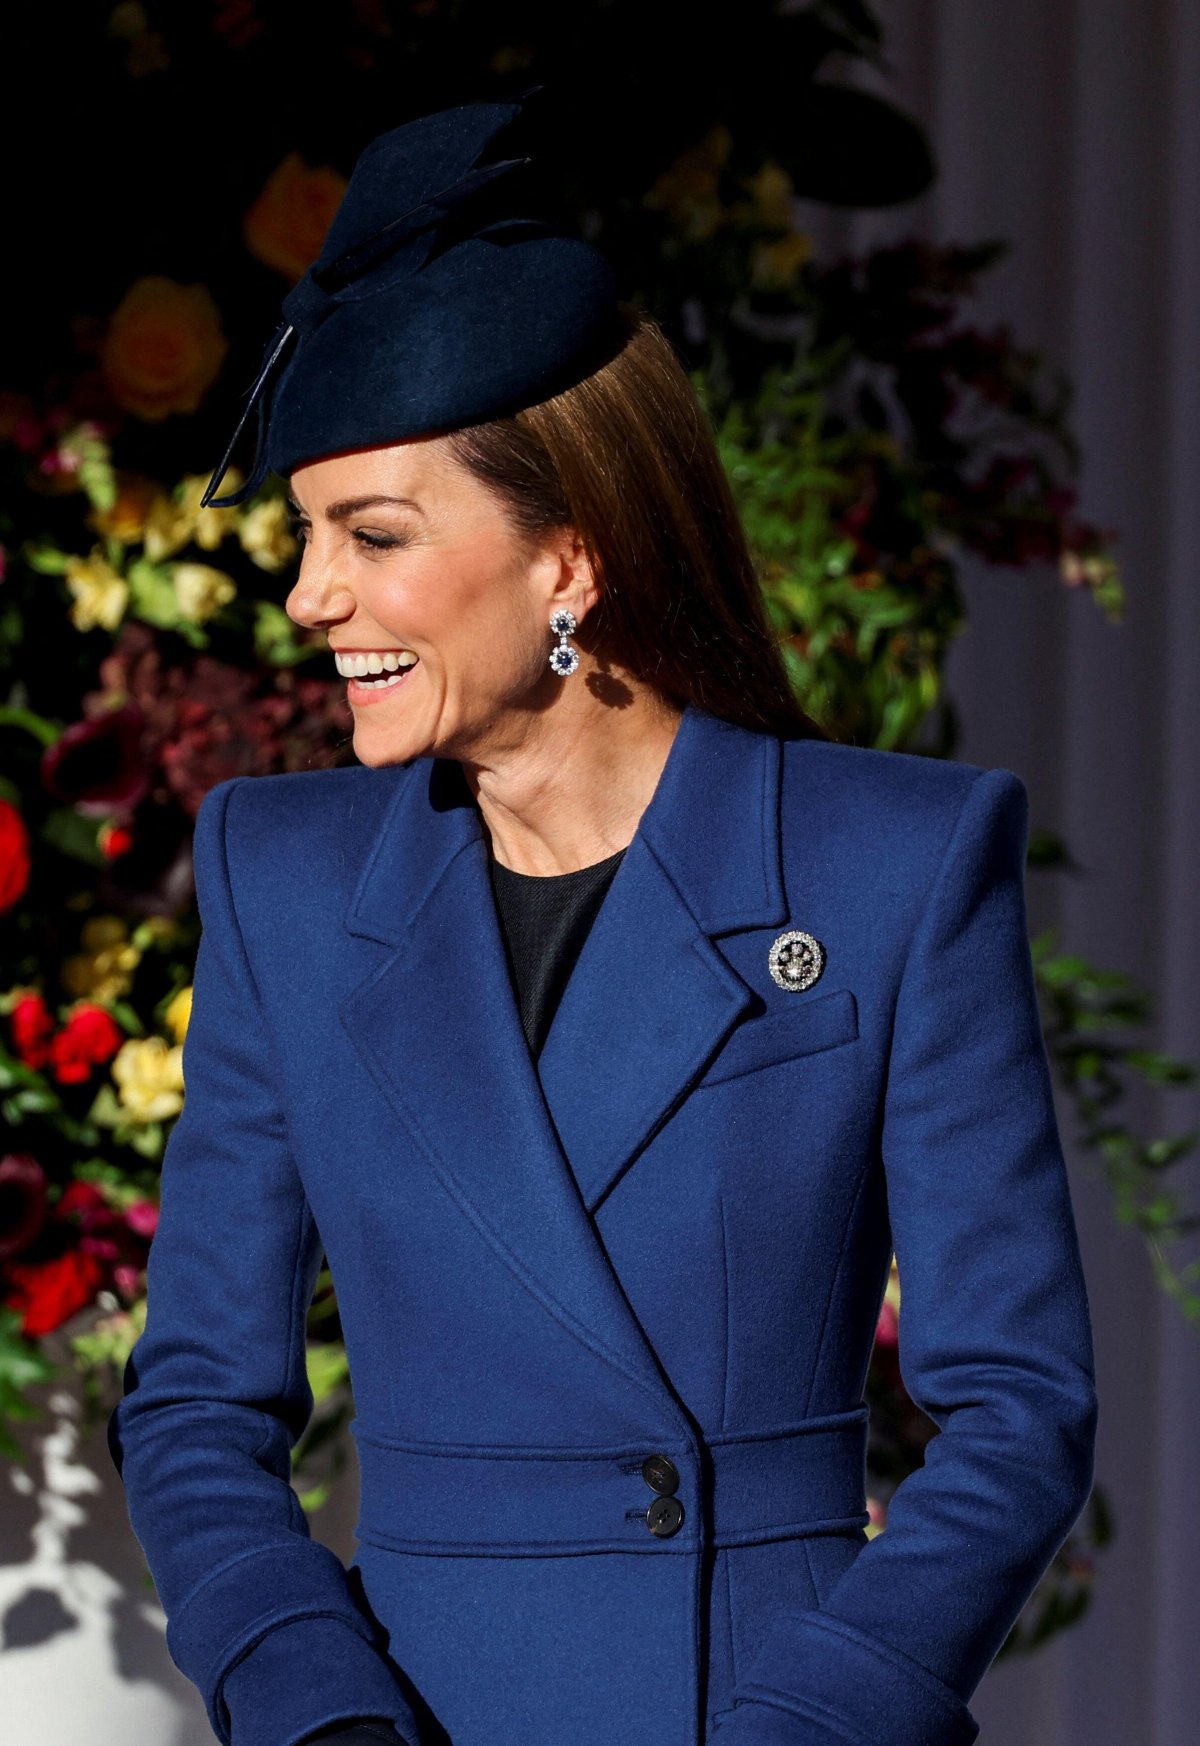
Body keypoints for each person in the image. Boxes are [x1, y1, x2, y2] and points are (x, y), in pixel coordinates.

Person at [106, 91, 1099, 1746]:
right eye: (303, 535)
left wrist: (822, 1720)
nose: (307, 596)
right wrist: (318, 1712)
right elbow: (196, 1403)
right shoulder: (278, 879)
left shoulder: (896, 863)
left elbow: (1019, 1414)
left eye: (372, 535)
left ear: (568, 560)